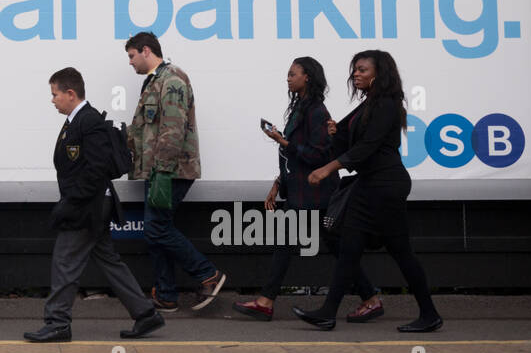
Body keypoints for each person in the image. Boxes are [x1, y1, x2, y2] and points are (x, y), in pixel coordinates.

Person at [293, 50, 442, 333]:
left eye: (362, 69)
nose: (356, 74)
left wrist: (326, 169)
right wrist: (337, 135)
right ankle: (328, 312)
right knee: (353, 249)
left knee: (396, 252)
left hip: (385, 185)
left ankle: (429, 314)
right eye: (354, 70)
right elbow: (349, 148)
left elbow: (366, 149)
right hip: (372, 184)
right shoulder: (366, 107)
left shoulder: (387, 103)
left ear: (379, 73)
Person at [232, 57, 381, 321]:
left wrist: (283, 141)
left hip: (316, 193)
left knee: (292, 242)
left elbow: (318, 155)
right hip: (304, 192)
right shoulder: (301, 107)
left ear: (307, 77)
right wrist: (278, 183)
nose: (288, 78)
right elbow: (294, 157)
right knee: (330, 246)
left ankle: (266, 301)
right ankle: (370, 298)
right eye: (288, 74)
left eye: (293, 74)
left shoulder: (316, 111)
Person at [24, 68, 164, 342]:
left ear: (70, 93)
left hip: (86, 206)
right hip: (90, 203)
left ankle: (58, 322)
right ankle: (145, 314)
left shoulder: (87, 121)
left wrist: (71, 201)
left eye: (55, 94)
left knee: (65, 261)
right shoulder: (77, 121)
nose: (52, 100)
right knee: (109, 261)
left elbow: (96, 169)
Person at [125, 32, 225, 312]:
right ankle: (166, 294)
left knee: (156, 228)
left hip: (170, 170)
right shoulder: (155, 81)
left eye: (132, 56)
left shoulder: (171, 79)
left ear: (146, 50)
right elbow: (146, 129)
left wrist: (163, 170)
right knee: (157, 229)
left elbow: (173, 127)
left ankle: (208, 274)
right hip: (157, 170)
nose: (130, 63)